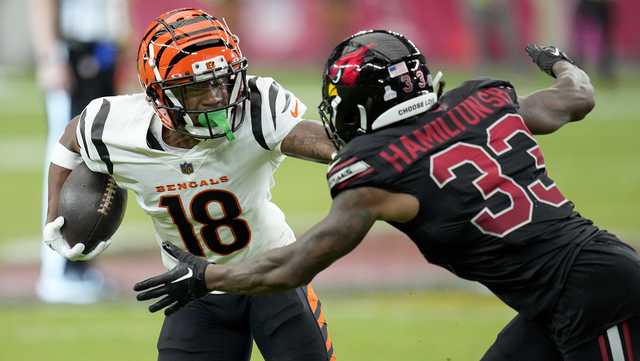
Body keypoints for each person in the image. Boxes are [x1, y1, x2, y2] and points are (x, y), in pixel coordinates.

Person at [134, 30, 640, 361]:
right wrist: (558, 62)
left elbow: (290, 269)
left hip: (597, 295)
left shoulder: (376, 170)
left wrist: (207, 275)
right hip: (568, 290)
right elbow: (578, 97)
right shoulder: (484, 100)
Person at [43, 8, 337, 361]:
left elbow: (319, 142)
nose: (216, 96)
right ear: (160, 96)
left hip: (272, 274)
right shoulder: (113, 127)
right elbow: (70, 139)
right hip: (194, 284)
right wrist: (53, 215)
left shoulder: (256, 112)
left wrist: (367, 150)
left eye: (222, 80)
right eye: (197, 87)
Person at [30, 0, 129, 304]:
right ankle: (57, 273)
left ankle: (82, 266)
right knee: (64, 156)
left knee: (96, 158)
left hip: (101, 50)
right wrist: (49, 56)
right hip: (71, 52)